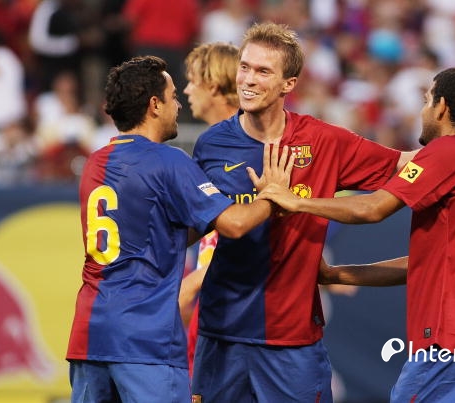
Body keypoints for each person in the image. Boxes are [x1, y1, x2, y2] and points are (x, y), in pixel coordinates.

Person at [191, 22, 455, 402]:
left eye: (263, 71)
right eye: (245, 67)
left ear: (289, 83)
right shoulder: (210, 145)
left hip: (291, 339)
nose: (248, 79)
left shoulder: (324, 140)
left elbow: (408, 162)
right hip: (221, 331)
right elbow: (192, 224)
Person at [258, 66, 455, 403]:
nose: (422, 111)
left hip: (453, 336)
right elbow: (421, 265)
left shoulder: (451, 151)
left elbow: (373, 208)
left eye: (426, 100)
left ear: (442, 107)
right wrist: (335, 275)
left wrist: (295, 202)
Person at [65, 55, 293, 403]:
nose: (179, 103)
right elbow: (234, 225)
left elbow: (153, 233)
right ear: (154, 105)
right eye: (172, 96)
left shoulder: (95, 162)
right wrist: (272, 196)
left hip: (88, 335)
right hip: (145, 339)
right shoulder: (168, 160)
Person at [179, 42, 240, 376]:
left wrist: (196, 280)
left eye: (193, 80)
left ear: (214, 84)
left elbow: (259, 229)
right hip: (213, 301)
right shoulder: (210, 144)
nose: (187, 90)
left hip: (240, 306)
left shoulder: (249, 144)